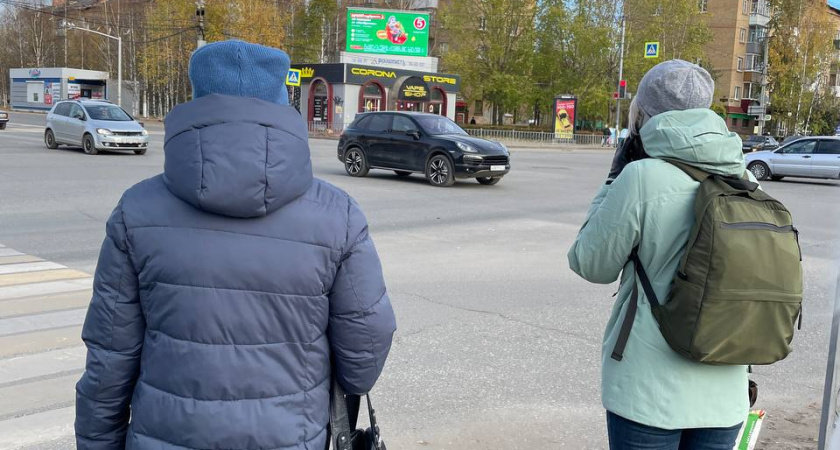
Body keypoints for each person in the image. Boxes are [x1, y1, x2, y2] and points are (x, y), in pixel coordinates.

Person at [75, 40, 397, 450]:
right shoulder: (339, 216)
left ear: (196, 102)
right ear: (283, 102)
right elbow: (363, 358)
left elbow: (108, 363)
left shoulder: (136, 212)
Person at [567, 60, 749, 450]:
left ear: (643, 114)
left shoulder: (641, 177)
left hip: (648, 395)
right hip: (726, 390)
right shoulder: (743, 177)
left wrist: (616, 176)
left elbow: (589, 263)